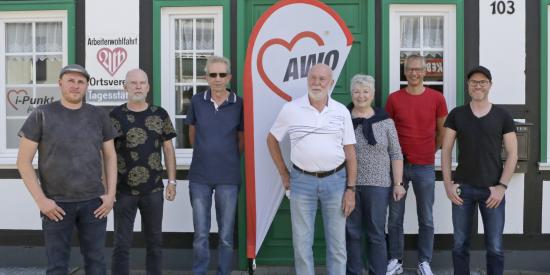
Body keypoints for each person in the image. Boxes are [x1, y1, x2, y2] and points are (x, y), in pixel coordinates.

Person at [16, 64, 117, 275]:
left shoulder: (98, 115)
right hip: (56, 204)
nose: (75, 86)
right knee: (57, 266)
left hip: (94, 203)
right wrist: (41, 201)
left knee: (96, 263)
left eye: (81, 82)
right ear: (60, 83)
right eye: (70, 80)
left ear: (87, 86)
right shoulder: (41, 114)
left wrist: (110, 195)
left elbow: (110, 156)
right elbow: (23, 162)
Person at [267, 63, 357, 275]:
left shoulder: (341, 111)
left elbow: (351, 154)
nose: (316, 83)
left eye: (322, 79)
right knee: (301, 245)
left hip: (336, 182)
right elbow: (271, 140)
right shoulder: (291, 109)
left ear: (331, 83)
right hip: (301, 181)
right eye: (312, 78)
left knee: (337, 246)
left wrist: (351, 189)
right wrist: (283, 172)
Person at [442, 66, 518, 275]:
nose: (478, 85)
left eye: (483, 82)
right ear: (468, 86)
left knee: (494, 246)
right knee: (459, 244)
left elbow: (512, 154)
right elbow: (446, 151)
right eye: (474, 82)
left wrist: (502, 187)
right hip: (462, 190)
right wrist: (448, 184)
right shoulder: (457, 114)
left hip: (492, 190)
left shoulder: (503, 115)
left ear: (490, 85)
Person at [110, 68, 177, 275]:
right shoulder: (115, 115)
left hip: (154, 190)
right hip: (123, 192)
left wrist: (172, 182)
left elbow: (168, 148)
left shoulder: (160, 114)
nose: (138, 87)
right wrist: (108, 189)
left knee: (155, 243)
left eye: (142, 83)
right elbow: (107, 153)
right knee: (121, 244)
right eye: (133, 83)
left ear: (148, 87)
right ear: (125, 87)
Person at [385, 54, 448, 275]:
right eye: (410, 69)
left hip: (425, 166)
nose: (414, 73)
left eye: (418, 69)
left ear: (425, 72)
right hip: (398, 166)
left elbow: (442, 131)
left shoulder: (437, 98)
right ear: (405, 71)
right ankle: (396, 260)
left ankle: (424, 262)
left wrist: (431, 150)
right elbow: (388, 132)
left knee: (426, 217)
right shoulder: (394, 99)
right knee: (394, 217)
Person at [185, 55, 243, 275]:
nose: (217, 79)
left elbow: (241, 139)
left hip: (228, 177)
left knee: (226, 236)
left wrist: (224, 156)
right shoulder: (197, 101)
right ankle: (199, 271)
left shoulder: (239, 103)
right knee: (201, 233)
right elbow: (192, 133)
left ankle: (223, 272)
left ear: (229, 77)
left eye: (222, 74)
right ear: (206, 77)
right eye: (213, 75)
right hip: (199, 176)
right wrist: (206, 152)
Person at [345, 74, 405, 275]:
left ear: (373, 94)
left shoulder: (385, 120)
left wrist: (398, 183)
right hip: (348, 186)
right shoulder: (342, 118)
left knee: (376, 234)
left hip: (379, 185)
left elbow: (396, 153)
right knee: (351, 233)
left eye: (365, 91)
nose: (361, 96)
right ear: (351, 93)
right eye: (356, 91)